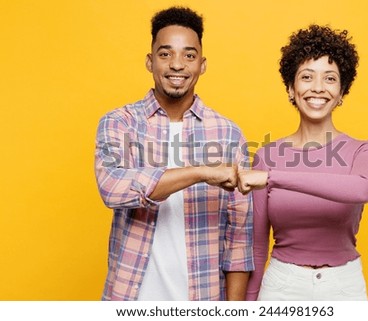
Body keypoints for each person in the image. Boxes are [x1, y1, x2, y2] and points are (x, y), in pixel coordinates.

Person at [94, 6, 253, 301]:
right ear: (149, 61)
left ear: (202, 64)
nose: (177, 65)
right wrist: (201, 172)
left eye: (188, 55)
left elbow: (239, 239)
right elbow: (113, 189)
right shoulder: (120, 123)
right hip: (131, 298)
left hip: (203, 299)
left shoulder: (229, 134)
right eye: (165, 54)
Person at [239, 25, 368, 300]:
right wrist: (249, 305)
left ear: (341, 92)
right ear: (291, 89)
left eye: (330, 79)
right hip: (281, 286)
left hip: (344, 286)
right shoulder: (267, 156)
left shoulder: (363, 151)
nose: (318, 88)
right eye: (306, 77)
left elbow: (362, 189)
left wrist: (273, 177)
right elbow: (258, 245)